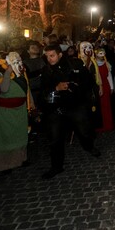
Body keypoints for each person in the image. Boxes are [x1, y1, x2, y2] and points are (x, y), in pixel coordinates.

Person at [39, 44, 101, 180]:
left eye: (52, 55)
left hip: (75, 105)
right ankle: (56, 166)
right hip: (56, 108)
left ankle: (89, 146)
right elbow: (42, 89)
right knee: (55, 139)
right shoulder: (46, 70)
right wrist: (56, 87)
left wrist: (74, 85)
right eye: (47, 56)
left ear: (60, 54)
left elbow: (89, 81)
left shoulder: (75, 64)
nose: (50, 59)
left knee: (84, 131)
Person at [0, 52, 32, 173]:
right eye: (15, 62)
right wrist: (8, 73)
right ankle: (4, 165)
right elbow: (3, 89)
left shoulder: (22, 74)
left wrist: (32, 106)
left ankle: (20, 159)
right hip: (6, 112)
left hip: (20, 110)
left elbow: (27, 90)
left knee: (20, 134)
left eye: (19, 61)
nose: (18, 64)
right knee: (6, 137)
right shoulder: (0, 73)